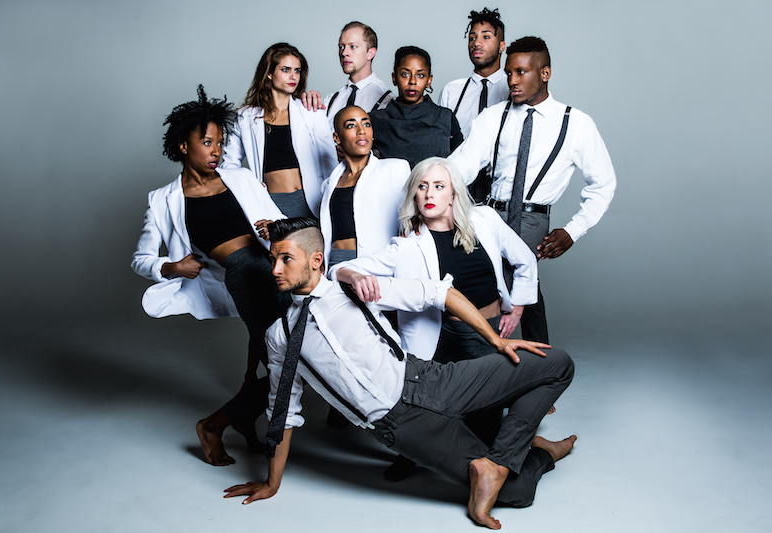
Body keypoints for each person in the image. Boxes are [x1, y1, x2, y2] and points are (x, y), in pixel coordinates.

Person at [224, 217, 577, 530]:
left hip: (428, 380)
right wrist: (271, 483)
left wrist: (496, 340)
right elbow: (282, 411)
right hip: (401, 426)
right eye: (273, 260)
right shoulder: (281, 336)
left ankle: (501, 458)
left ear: (316, 260)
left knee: (557, 364)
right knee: (517, 493)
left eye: (286, 259)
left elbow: (439, 292)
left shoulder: (354, 288)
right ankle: (539, 452)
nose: (275, 270)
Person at [332, 157, 538, 479]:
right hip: (444, 337)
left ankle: (492, 464)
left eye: (439, 186)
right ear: (414, 195)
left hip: (491, 330)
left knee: (489, 411)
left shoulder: (485, 219)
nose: (429, 193)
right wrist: (355, 276)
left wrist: (517, 309)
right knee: (427, 405)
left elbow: (525, 260)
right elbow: (340, 269)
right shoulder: (406, 246)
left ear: (453, 194)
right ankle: (412, 455)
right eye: (422, 186)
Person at [131, 86, 288, 465]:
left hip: (276, 270)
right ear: (183, 146)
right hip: (244, 277)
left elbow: (280, 223)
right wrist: (171, 267)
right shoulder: (163, 200)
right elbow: (140, 258)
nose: (216, 150)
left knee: (294, 357)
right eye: (206, 142)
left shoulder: (241, 179)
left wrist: (275, 230)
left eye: (219, 143)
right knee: (287, 361)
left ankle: (241, 417)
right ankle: (214, 425)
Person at [450, 36, 617, 344]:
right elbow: (460, 167)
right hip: (491, 214)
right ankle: (531, 360)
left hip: (532, 220)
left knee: (505, 289)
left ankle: (504, 360)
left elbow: (603, 183)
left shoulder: (575, 123)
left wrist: (573, 230)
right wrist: (429, 187)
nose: (512, 80)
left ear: (545, 73)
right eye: (509, 72)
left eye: (521, 72)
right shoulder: (494, 117)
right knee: (509, 287)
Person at [220, 42, 337, 219]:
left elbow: (330, 163)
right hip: (269, 204)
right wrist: (250, 188)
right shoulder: (246, 117)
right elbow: (229, 166)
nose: (293, 76)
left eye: (297, 71)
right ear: (269, 73)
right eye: (285, 70)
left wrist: (332, 203)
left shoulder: (311, 112)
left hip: (311, 202)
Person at [320, 105, 411, 270]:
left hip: (377, 266)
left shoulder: (395, 169)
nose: (361, 131)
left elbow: (409, 227)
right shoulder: (328, 184)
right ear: (337, 137)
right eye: (351, 125)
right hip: (335, 265)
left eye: (366, 124)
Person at [370, 46, 463, 168]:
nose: (412, 81)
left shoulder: (446, 118)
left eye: (420, 75)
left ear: (429, 80)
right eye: (405, 74)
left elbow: (460, 167)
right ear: (394, 78)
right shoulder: (375, 120)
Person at [439, 8, 510, 139]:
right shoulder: (451, 91)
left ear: (502, 46)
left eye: (486, 37)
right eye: (472, 38)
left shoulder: (513, 88)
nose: (476, 43)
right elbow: (440, 139)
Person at [314, 22, 394, 126]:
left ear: (370, 53)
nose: (344, 53)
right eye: (341, 47)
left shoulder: (388, 101)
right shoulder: (329, 101)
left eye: (353, 46)